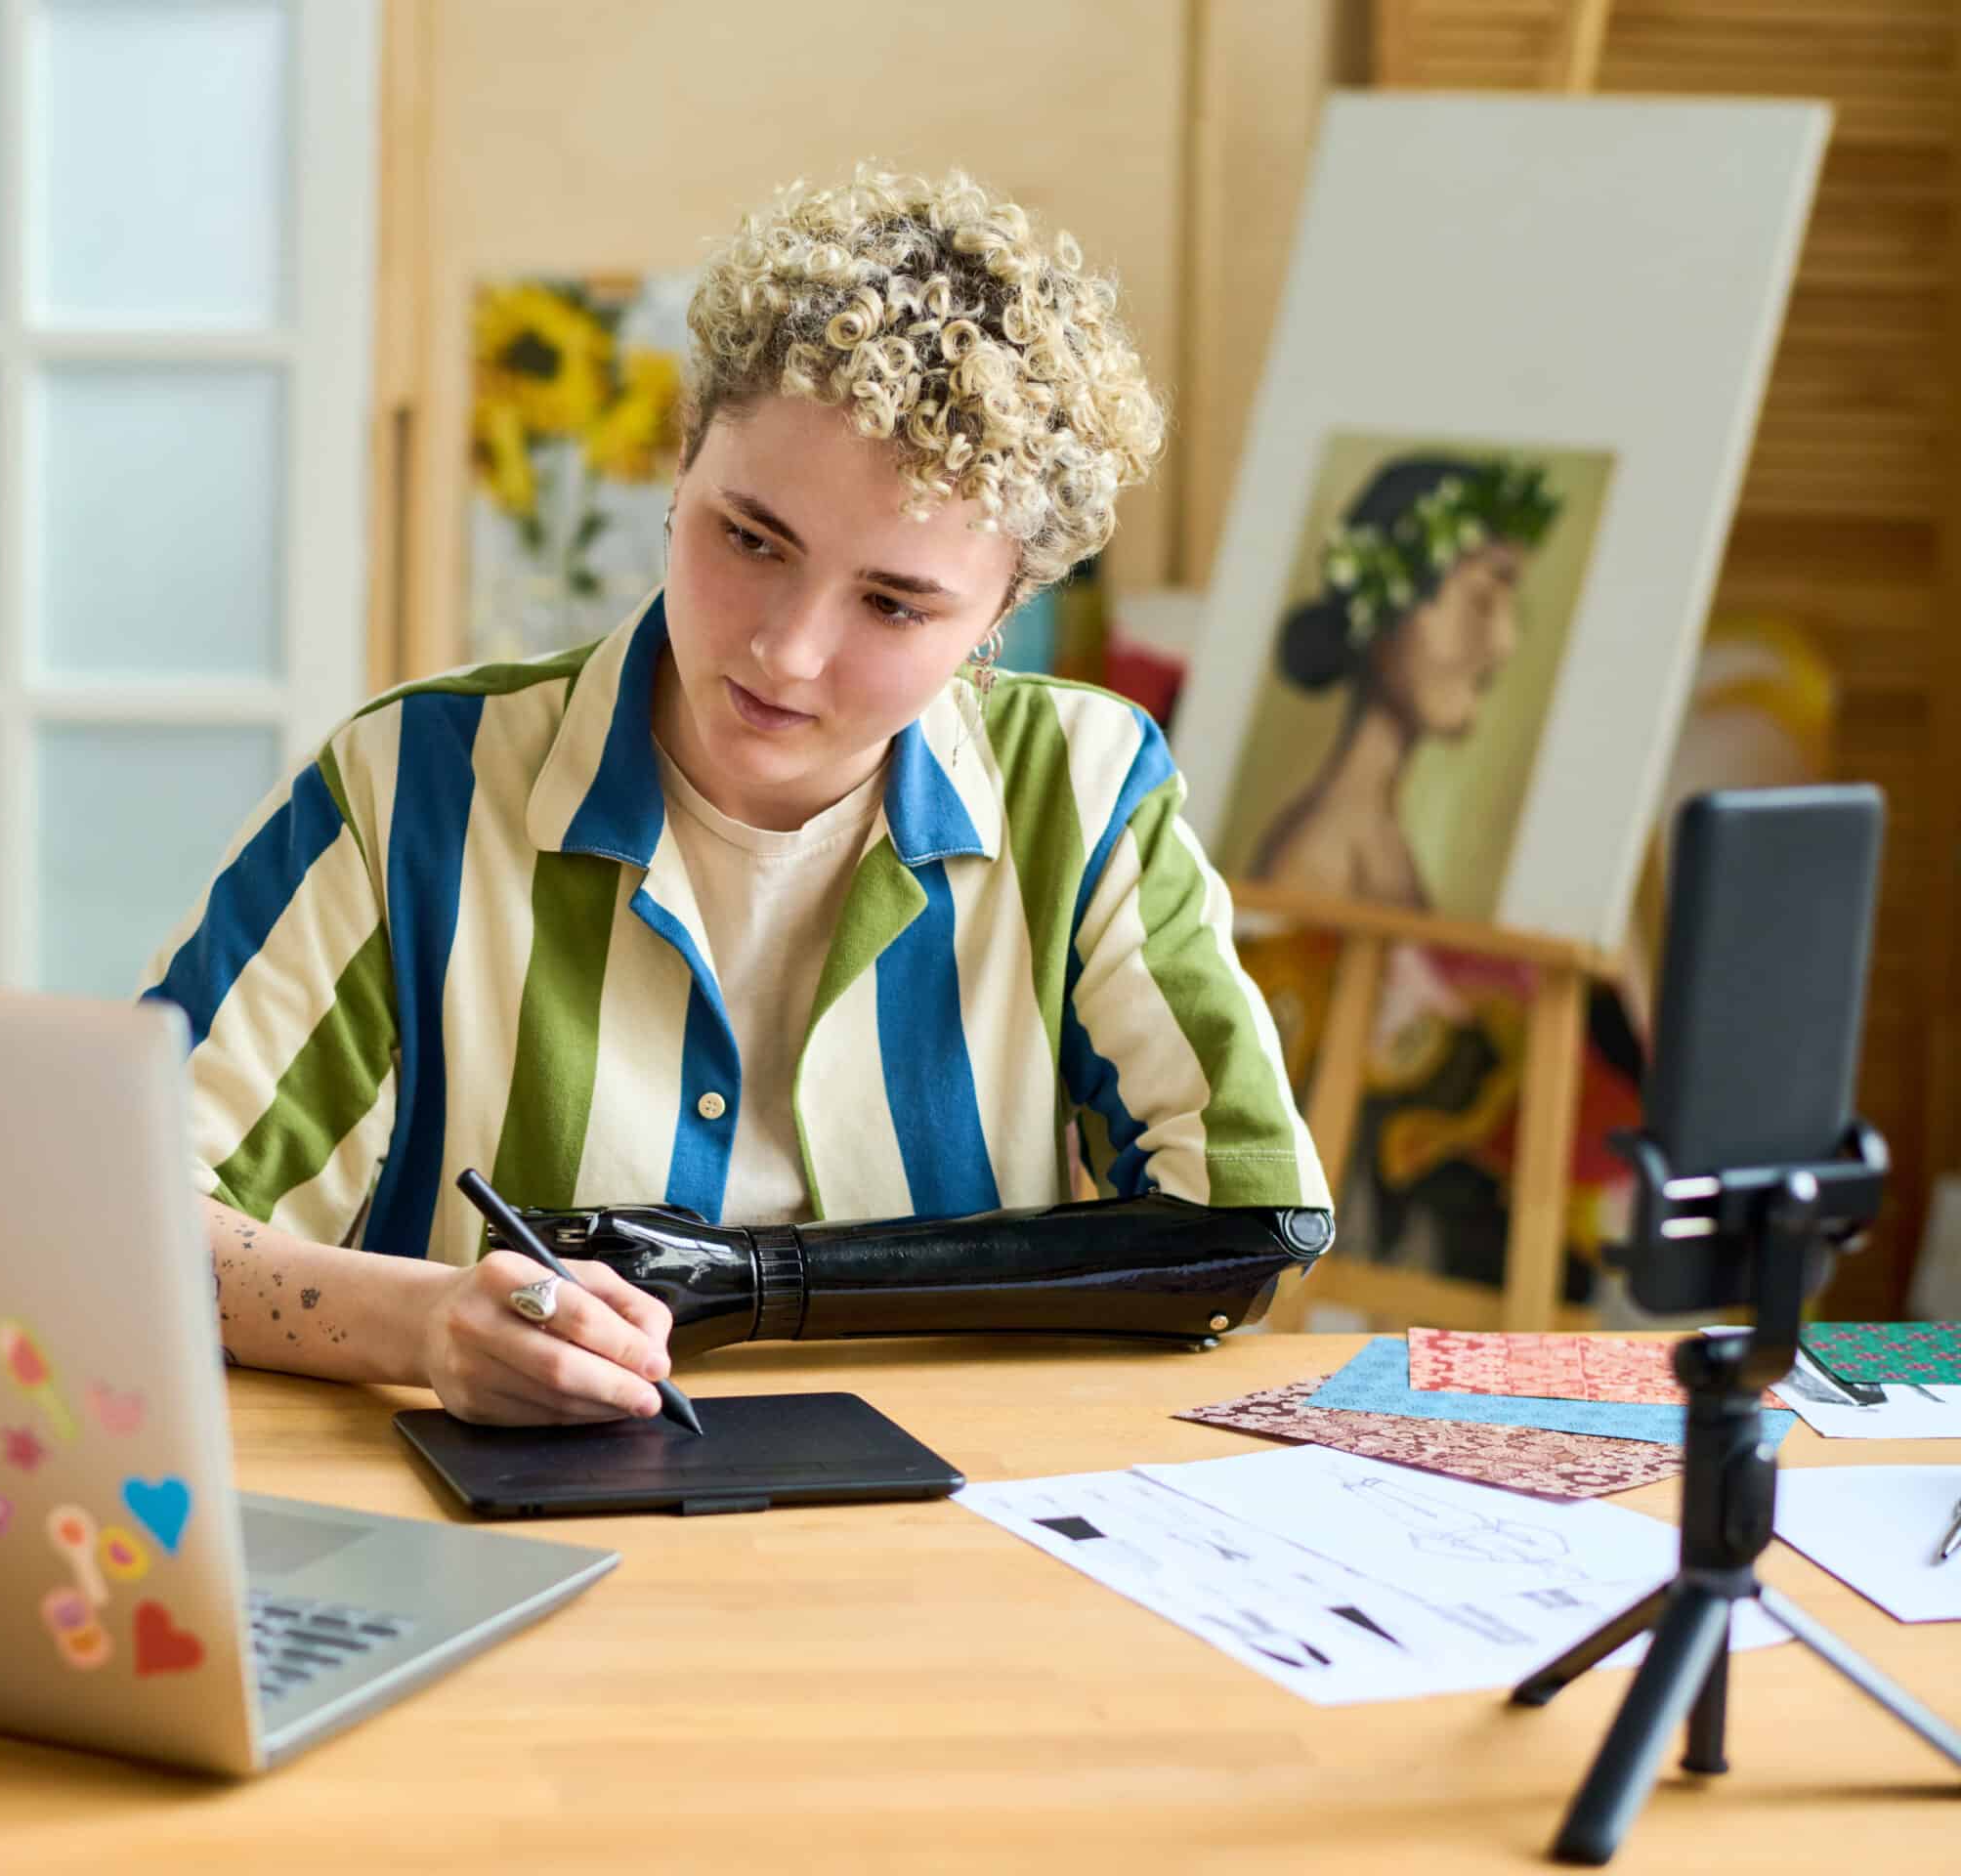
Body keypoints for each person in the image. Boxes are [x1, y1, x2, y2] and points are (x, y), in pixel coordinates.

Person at [141, 165, 1326, 1425]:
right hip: (520, 1537)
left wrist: (766, 1286)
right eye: (749, 540)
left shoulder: (1083, 796)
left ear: (1001, 615)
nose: (785, 652)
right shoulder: (412, 789)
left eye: (892, 603)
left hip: (966, 1551)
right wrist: (425, 1322)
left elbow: (1251, 1225)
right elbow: (127, 1219)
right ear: (682, 463)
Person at [1248, 453, 1563, 909]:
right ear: (1384, 609)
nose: (1504, 642)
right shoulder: (1320, 857)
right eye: (1479, 599)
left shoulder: (1378, 835)